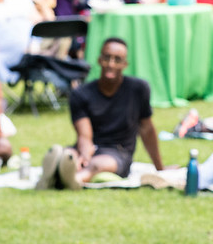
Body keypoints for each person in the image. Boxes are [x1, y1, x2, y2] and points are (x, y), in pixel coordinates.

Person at [36, 37, 164, 190]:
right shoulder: (81, 94)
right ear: (99, 60)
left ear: (125, 64)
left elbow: (147, 129)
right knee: (67, 155)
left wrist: (160, 168)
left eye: (117, 60)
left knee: (96, 164)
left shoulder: (139, 89)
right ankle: (55, 173)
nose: (111, 64)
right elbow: (84, 135)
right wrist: (84, 155)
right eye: (107, 58)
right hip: (88, 147)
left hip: (118, 152)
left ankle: (73, 179)